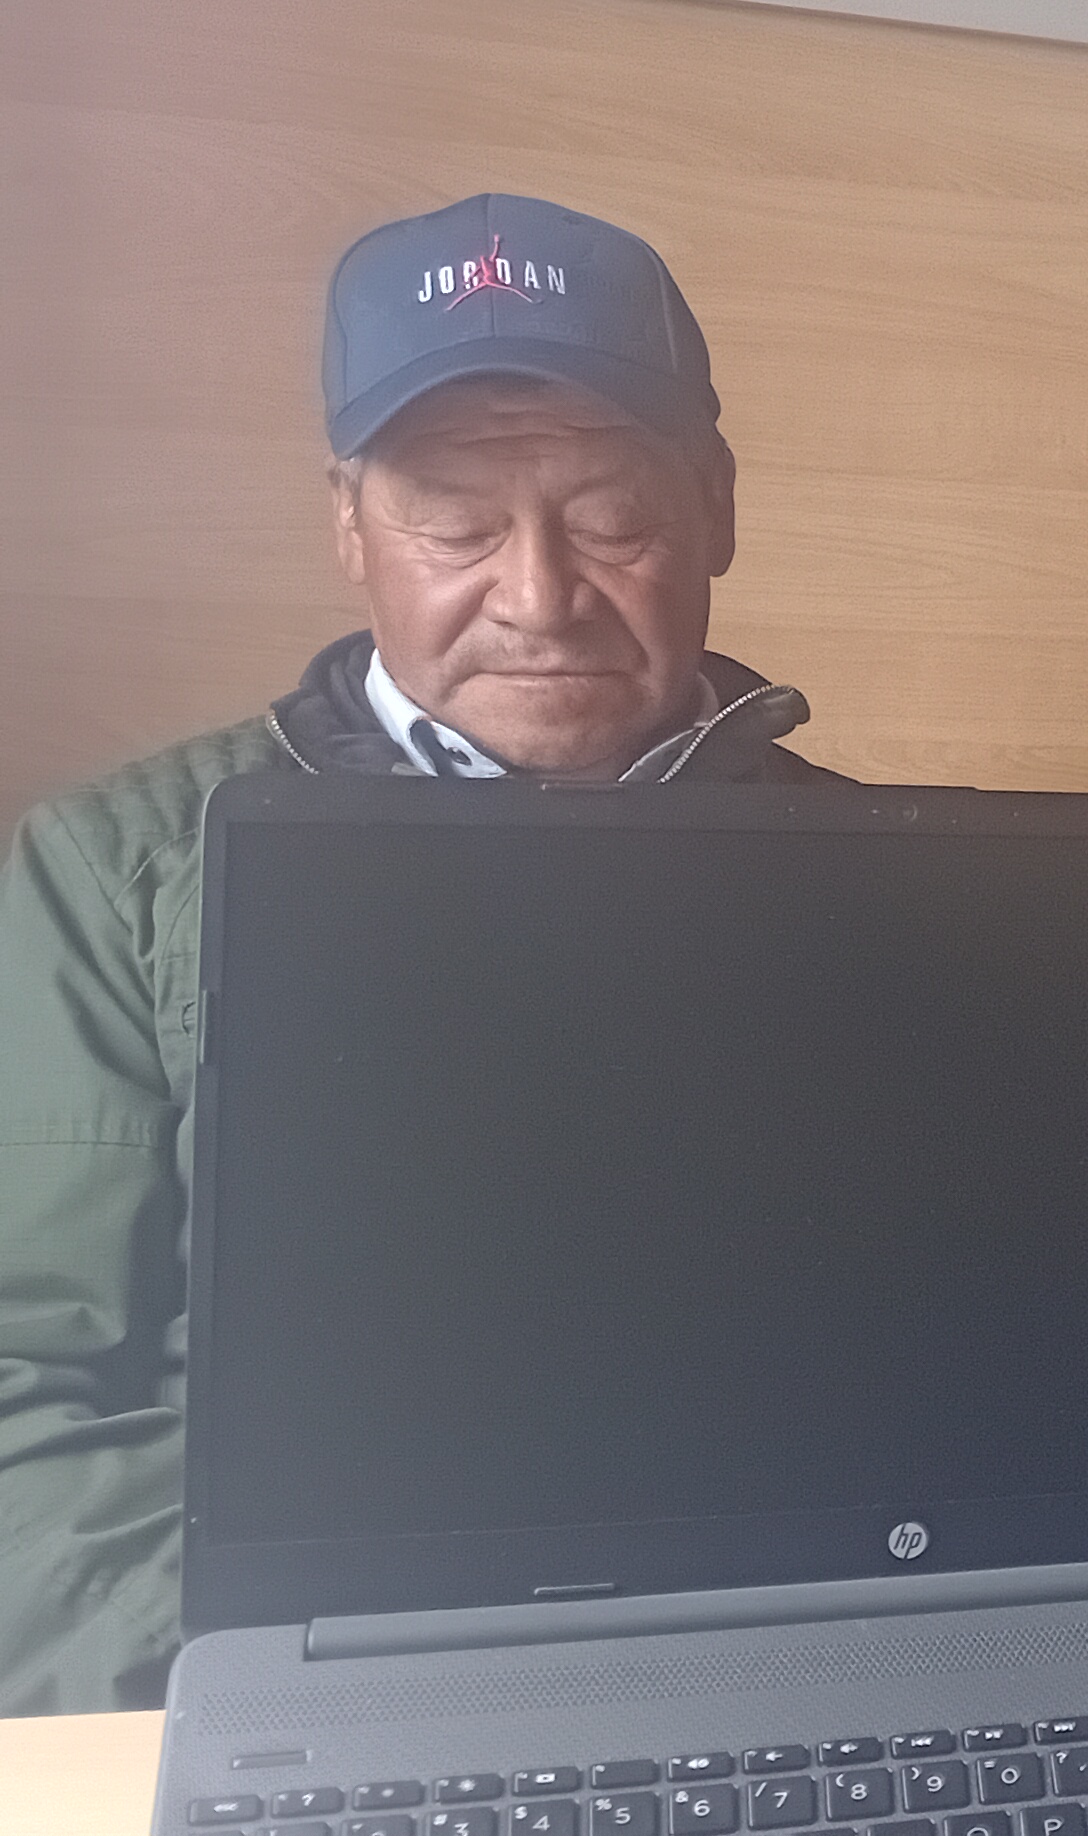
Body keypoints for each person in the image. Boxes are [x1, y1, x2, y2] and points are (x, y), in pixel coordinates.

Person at [0, 194, 844, 1711]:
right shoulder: (115, 873)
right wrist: (346, 1666)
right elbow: (23, 1407)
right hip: (310, 1677)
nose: (538, 597)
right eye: (456, 524)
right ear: (349, 526)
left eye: (614, 516)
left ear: (716, 508)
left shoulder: (890, 877)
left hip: (778, 1669)